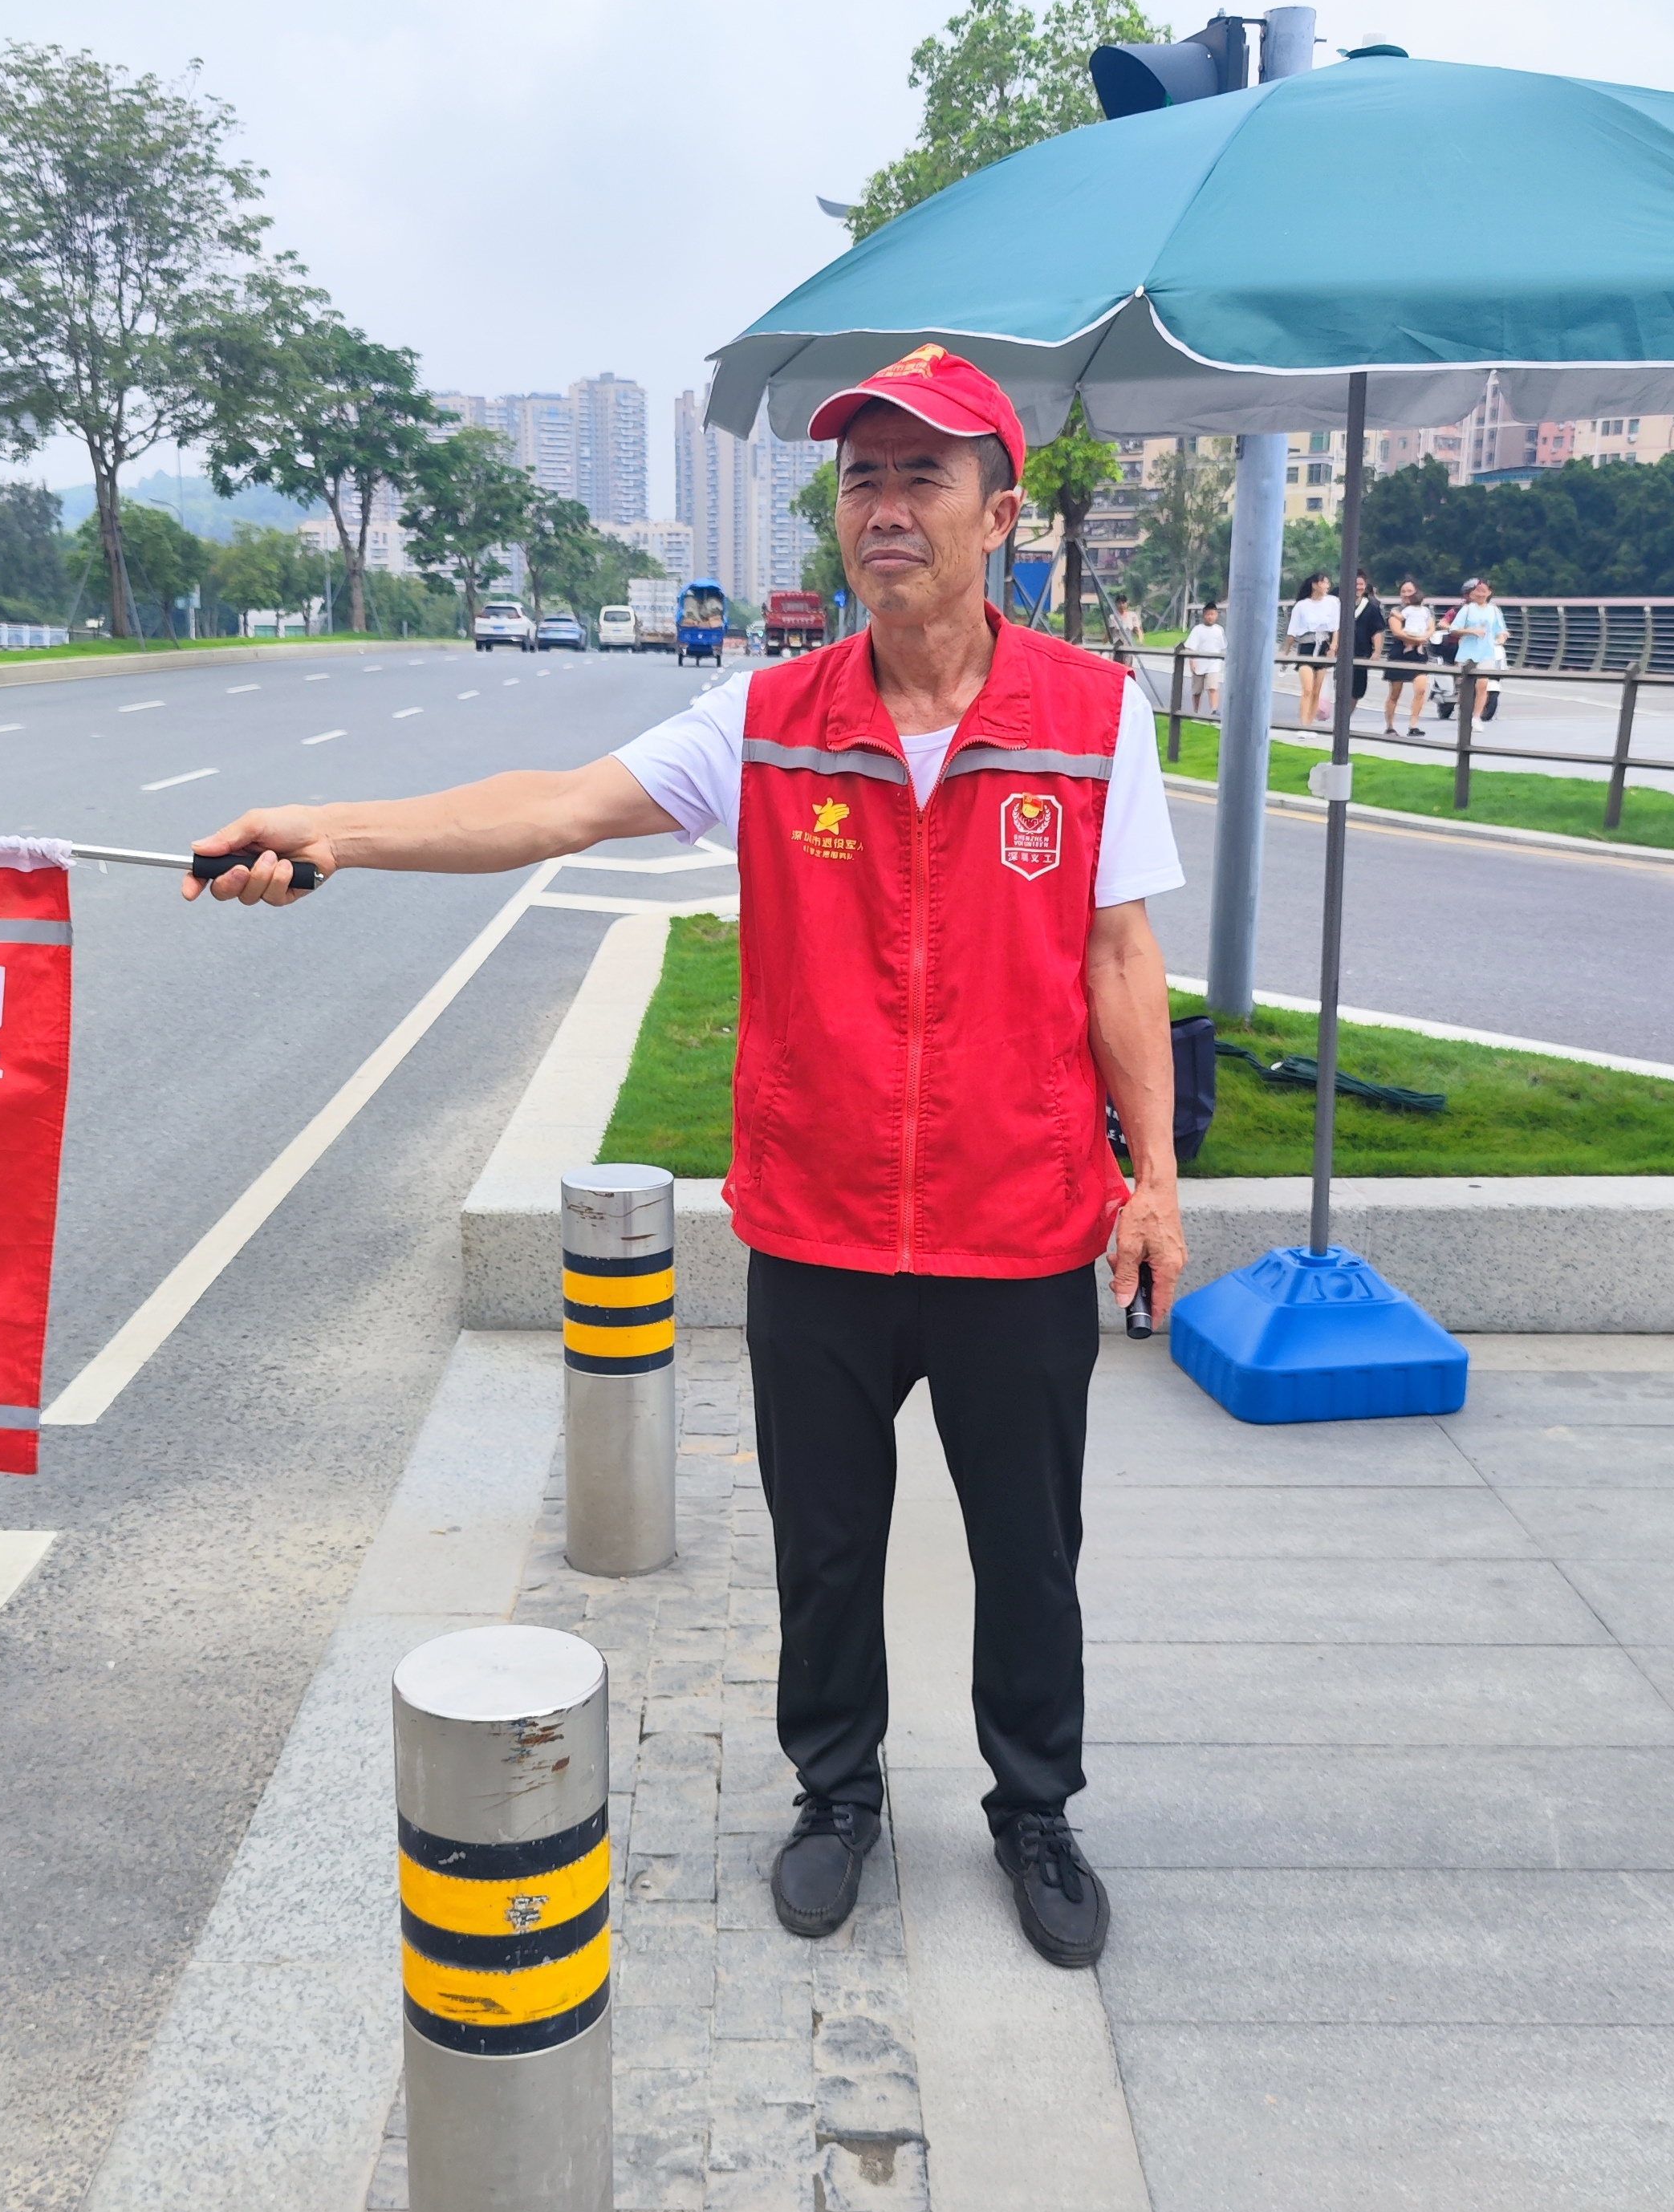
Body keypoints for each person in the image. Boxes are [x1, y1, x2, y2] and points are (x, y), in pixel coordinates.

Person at [185, 347, 1187, 1971]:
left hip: (1015, 1224)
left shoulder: (1087, 717)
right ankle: (836, 1798)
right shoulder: (771, 721)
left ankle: (1032, 1810)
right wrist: (341, 832)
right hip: (821, 1224)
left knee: (1027, 1549)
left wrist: (1147, 1181)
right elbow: (556, 805)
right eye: (858, 478)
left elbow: (1118, 959)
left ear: (998, 516)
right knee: (825, 1541)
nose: (882, 508)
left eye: (920, 478)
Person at [1446, 575, 1507, 722]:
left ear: (1489, 593)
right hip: (1467, 652)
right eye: (1477, 591)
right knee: (1466, 687)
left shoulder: (1494, 610)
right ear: (1472, 594)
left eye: (1484, 591)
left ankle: (1476, 718)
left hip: (1486, 652)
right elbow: (1454, 629)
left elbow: (1501, 629)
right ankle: (1465, 716)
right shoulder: (1467, 610)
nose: (1481, 594)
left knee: (1483, 685)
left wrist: (1501, 638)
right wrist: (1471, 631)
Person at [1380, 578, 1436, 736]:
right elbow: (1397, 632)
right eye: (1403, 591)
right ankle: (1390, 726)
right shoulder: (1397, 611)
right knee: (1395, 693)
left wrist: (1424, 637)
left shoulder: (1425, 611)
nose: (1406, 595)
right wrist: (1418, 640)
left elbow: (1431, 628)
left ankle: (1413, 725)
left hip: (1419, 654)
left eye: (1409, 591)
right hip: (1400, 652)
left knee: (1421, 689)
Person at [1286, 572, 1336, 728]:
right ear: (1315, 585)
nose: (1327, 586)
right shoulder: (1302, 606)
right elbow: (1292, 632)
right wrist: (1285, 653)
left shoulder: (1332, 602)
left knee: (1316, 690)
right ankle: (1302, 724)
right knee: (1307, 689)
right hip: (1307, 646)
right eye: (1324, 583)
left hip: (1324, 646)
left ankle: (1309, 724)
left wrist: (1334, 646)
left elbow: (1336, 627)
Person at [1340, 570, 1383, 729]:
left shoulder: (1371, 606)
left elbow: (1377, 630)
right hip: (1343, 652)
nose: (1358, 587)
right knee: (1343, 686)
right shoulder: (1340, 603)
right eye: (1355, 584)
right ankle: (1341, 718)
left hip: (1362, 652)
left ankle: (1346, 717)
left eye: (1361, 584)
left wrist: (1377, 652)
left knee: (1358, 690)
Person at [1180, 601, 1227, 720]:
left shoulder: (1219, 630)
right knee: (1197, 691)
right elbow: (1191, 647)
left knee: (1213, 687)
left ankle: (1214, 710)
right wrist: (1192, 661)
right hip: (1199, 663)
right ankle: (1196, 711)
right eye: (1208, 614)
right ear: (1204, 615)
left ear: (1216, 615)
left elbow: (1222, 647)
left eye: (1213, 614)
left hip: (1213, 663)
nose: (1210, 617)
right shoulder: (1198, 630)